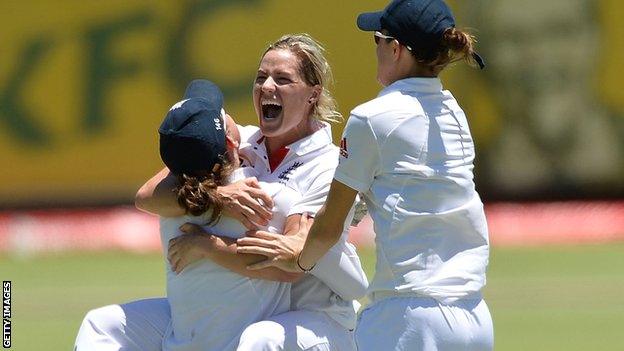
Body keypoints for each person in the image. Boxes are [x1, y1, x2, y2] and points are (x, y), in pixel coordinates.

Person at [76, 33, 368, 351]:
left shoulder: (326, 163)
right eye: (261, 77)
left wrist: (208, 245)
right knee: (101, 326)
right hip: (253, 312)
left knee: (261, 340)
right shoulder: (239, 139)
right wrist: (219, 197)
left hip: (316, 318)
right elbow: (147, 197)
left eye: (282, 79)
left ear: (313, 95)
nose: (267, 87)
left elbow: (291, 261)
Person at [238, 1, 494, 350]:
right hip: (474, 316)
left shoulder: (372, 118)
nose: (375, 49)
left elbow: (329, 223)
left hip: (409, 316)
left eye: (377, 39)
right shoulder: (454, 112)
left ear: (396, 49)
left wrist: (298, 258)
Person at [75, 79, 294, 351]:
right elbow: (292, 268)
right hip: (243, 340)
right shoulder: (266, 195)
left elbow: (145, 194)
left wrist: (210, 227)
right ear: (230, 139)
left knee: (98, 325)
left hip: (181, 339)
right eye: (226, 117)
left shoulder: (171, 200)